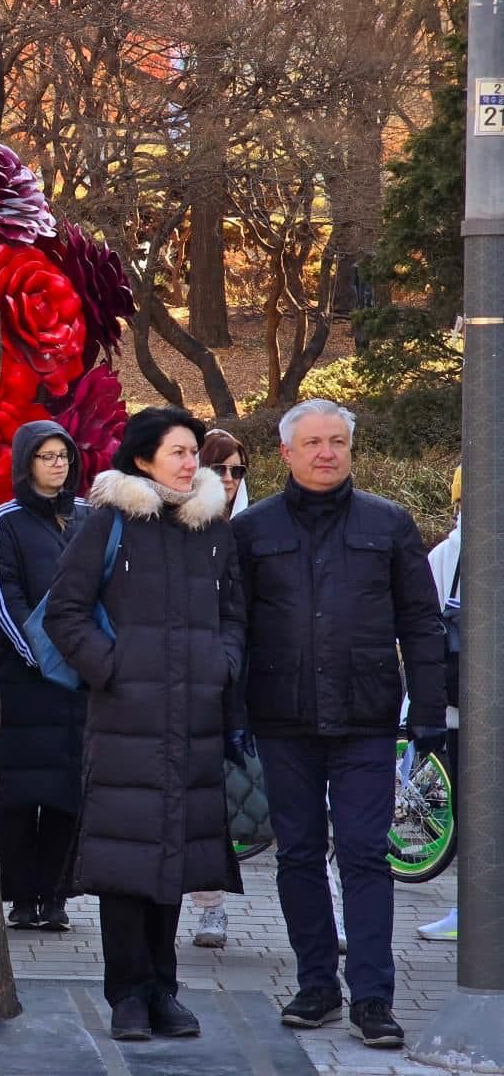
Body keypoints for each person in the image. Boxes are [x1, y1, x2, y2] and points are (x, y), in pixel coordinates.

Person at [231, 399, 446, 1050]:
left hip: (367, 718)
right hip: (281, 717)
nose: (326, 453)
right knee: (296, 856)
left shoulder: (388, 524)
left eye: (337, 442)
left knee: (363, 855)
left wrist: (429, 712)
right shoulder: (253, 531)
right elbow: (231, 628)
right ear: (286, 453)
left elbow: (422, 622)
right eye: (313, 442)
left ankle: (373, 999)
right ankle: (317, 984)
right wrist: (230, 712)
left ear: (351, 450)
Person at [44, 406, 244, 1042]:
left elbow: (234, 613)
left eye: (195, 452)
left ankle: (165, 990)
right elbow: (65, 612)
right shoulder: (110, 522)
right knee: (124, 861)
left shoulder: (213, 528)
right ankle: (127, 993)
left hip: (195, 720)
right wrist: (114, 668)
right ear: (142, 460)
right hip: (125, 718)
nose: (193, 463)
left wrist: (222, 663)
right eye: (180, 452)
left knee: (176, 858)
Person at [0, 422, 90, 933]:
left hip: (81, 681)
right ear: (25, 462)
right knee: (18, 796)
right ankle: (20, 896)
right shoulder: (5, 521)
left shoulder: (90, 518)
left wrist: (89, 655)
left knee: (68, 795)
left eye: (64, 457)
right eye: (47, 456)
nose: (58, 465)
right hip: (25, 683)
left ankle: (56, 894)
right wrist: (39, 655)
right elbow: (4, 596)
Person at [187, 428, 250, 949]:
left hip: (252, 677)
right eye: (220, 468)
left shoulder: (250, 530)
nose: (229, 480)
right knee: (205, 802)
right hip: (203, 679)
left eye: (237, 470)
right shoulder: (191, 529)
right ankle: (210, 910)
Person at [418, 465, 462, 943]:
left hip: (455, 708)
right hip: (456, 707)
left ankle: (467, 912)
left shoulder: (445, 554)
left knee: (469, 812)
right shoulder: (448, 555)